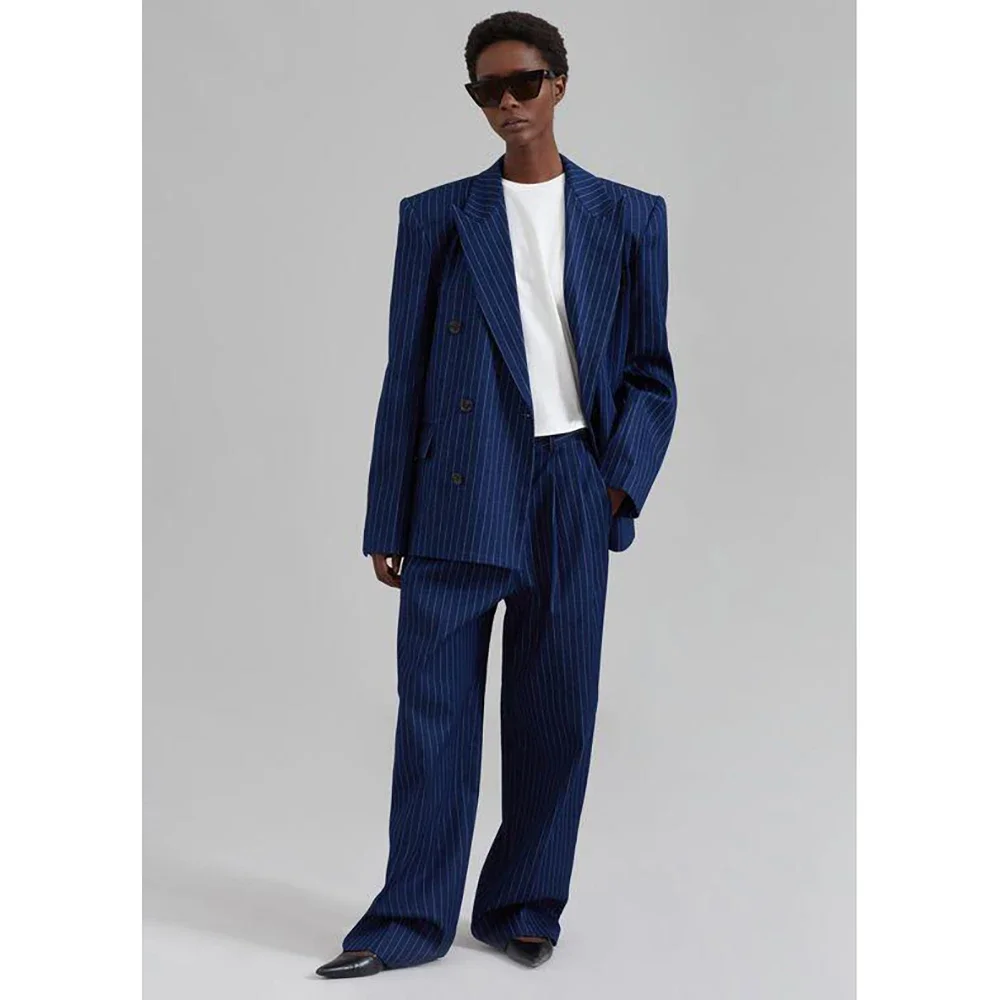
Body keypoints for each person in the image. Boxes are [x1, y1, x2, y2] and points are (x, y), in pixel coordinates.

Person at [316, 10, 677, 979]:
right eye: (489, 90)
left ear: (559, 83)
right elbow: (405, 374)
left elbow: (650, 373)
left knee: (557, 713)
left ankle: (522, 904)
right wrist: (387, 514)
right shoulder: (436, 216)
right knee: (433, 716)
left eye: (524, 83)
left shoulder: (629, 215)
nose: (508, 103)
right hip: (458, 487)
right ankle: (407, 919)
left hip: (572, 485)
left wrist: (615, 489)